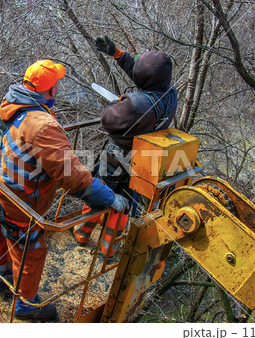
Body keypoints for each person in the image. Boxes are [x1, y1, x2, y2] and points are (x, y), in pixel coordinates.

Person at [0, 59, 129, 321]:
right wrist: (110, 198)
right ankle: (27, 304)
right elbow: (71, 176)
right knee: (31, 250)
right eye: (57, 85)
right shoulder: (43, 126)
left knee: (2, 233)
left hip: (0, 188)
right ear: (51, 91)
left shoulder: (10, 105)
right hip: (23, 200)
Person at [72, 36, 178, 257]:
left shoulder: (135, 105)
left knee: (99, 192)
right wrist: (119, 55)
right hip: (141, 160)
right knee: (126, 201)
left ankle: (82, 233)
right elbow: (147, 80)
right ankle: (109, 248)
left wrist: (120, 102)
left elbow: (107, 119)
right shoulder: (170, 94)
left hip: (115, 157)